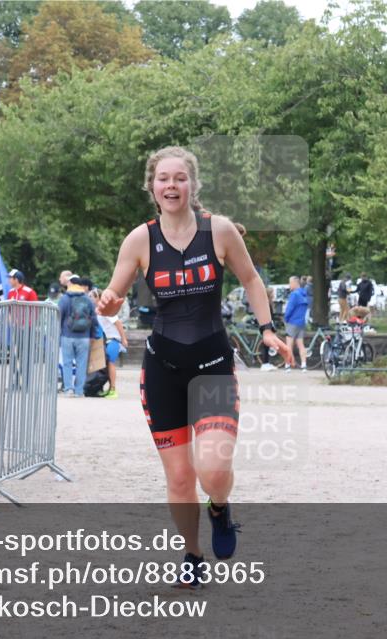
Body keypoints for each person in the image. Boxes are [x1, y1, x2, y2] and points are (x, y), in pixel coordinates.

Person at [96, 145, 293, 588]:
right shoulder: (140, 240)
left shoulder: (219, 231)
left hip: (212, 364)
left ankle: (220, 508)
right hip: (162, 369)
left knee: (213, 470)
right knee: (181, 477)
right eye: (163, 178)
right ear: (152, 186)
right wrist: (109, 303)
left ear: (192, 185)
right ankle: (192, 553)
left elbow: (251, 279)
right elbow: (114, 296)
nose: (171, 185)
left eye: (179, 178)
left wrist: (267, 329)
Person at [58, 276, 95, 397]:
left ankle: (69, 389)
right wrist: (93, 335)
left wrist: (59, 333)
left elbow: (59, 316)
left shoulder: (64, 298)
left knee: (67, 363)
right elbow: (93, 318)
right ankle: (79, 391)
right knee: (81, 364)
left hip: (67, 335)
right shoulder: (87, 299)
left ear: (71, 283)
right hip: (84, 337)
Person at [90, 288, 129, 399]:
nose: (90, 299)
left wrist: (123, 339)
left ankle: (113, 389)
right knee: (105, 364)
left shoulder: (107, 310)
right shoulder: (96, 311)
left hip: (113, 340)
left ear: (98, 297)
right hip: (107, 340)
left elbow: (118, 324)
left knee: (111, 363)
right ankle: (105, 388)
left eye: (91, 296)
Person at [283, 275, 309, 372]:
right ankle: (304, 365)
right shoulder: (304, 294)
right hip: (301, 322)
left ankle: (288, 365)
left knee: (289, 345)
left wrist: (285, 318)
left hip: (292, 322)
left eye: (290, 283)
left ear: (295, 283)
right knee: (301, 345)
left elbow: (290, 308)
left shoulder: (294, 295)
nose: (289, 285)